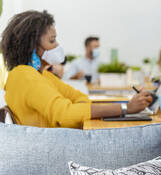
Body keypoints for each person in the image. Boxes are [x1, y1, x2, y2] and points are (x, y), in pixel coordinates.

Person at [1, 10, 152, 128]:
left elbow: (81, 99)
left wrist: (75, 110)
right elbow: (66, 115)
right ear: (33, 46)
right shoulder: (24, 76)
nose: (57, 45)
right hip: (52, 149)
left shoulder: (42, 76)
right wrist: (126, 108)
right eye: (52, 40)